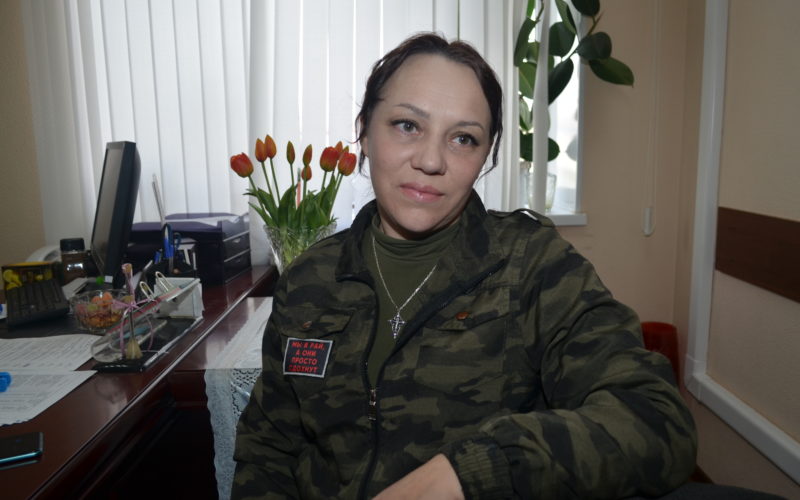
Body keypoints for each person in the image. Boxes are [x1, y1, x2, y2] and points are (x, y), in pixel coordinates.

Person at [232, 32, 697, 499]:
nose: (431, 160)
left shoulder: (533, 267)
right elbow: (268, 450)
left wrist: (476, 471)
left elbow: (657, 420)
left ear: (486, 156)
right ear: (364, 133)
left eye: (463, 138)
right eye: (407, 125)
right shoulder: (309, 279)